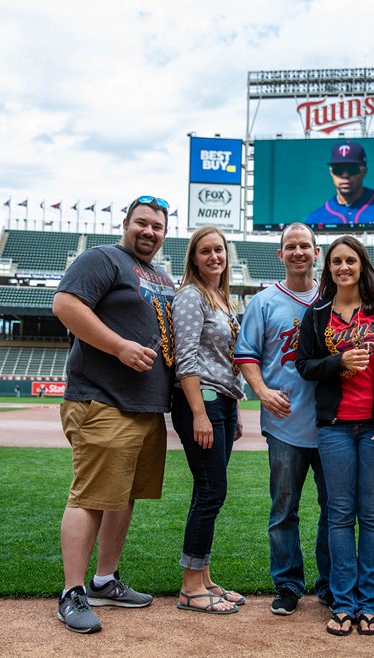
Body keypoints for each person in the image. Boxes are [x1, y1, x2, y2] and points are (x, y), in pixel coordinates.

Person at [51, 195, 175, 634]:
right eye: (142, 223)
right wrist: (118, 346)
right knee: (90, 495)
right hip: (103, 399)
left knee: (122, 496)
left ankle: (105, 579)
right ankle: (72, 592)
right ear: (126, 224)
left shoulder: (160, 274)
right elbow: (66, 306)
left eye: (157, 226)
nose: (149, 231)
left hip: (144, 406)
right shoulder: (103, 258)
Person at [295, 235, 374, 636]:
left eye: (351, 260)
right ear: (328, 268)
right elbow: (305, 366)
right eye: (336, 261)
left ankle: (370, 604)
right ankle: (343, 602)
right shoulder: (318, 313)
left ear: (362, 264)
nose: (343, 267)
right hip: (335, 427)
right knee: (340, 516)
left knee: (372, 516)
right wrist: (337, 361)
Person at [233, 222, 331, 616]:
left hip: (333, 423)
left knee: (335, 509)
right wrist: (261, 391)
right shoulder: (263, 301)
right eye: (290, 246)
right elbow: (245, 355)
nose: (297, 252)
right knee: (284, 509)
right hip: (286, 422)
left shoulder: (335, 298)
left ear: (316, 252)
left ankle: (330, 584)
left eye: (304, 246)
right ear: (280, 254)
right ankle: (288, 584)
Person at [171, 225, 246, 615]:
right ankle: (189, 587)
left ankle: (203, 578)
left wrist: (233, 408)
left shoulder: (222, 298)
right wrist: (200, 413)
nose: (214, 256)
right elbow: (186, 358)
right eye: (205, 251)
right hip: (202, 403)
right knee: (210, 490)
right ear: (194, 258)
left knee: (209, 493)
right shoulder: (190, 295)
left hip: (223, 402)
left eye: (219, 250)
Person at [305, 141, 374, 229]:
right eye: (338, 170)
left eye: (352, 169)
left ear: (364, 171)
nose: (345, 176)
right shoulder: (315, 218)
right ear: (331, 172)